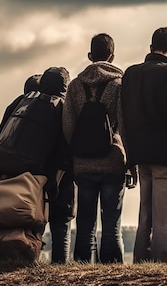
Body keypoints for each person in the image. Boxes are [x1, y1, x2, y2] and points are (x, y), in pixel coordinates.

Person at [121, 27, 167, 264]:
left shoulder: (131, 74)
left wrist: (130, 154)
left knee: (146, 216)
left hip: (141, 155)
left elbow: (123, 116)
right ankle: (164, 266)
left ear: (151, 45)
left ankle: (141, 263)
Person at [62, 33, 135, 264]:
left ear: (90, 56)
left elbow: (68, 127)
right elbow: (124, 125)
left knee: (85, 224)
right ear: (112, 56)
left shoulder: (74, 86)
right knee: (112, 224)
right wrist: (131, 162)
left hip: (83, 164)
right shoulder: (120, 84)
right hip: (113, 161)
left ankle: (81, 270)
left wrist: (80, 150)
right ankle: (112, 272)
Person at [0, 68, 74, 264]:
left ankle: (27, 259)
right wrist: (57, 178)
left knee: (32, 222)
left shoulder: (21, 103)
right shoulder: (62, 106)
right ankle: (59, 266)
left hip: (24, 175)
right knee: (61, 224)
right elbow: (64, 148)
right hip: (55, 176)